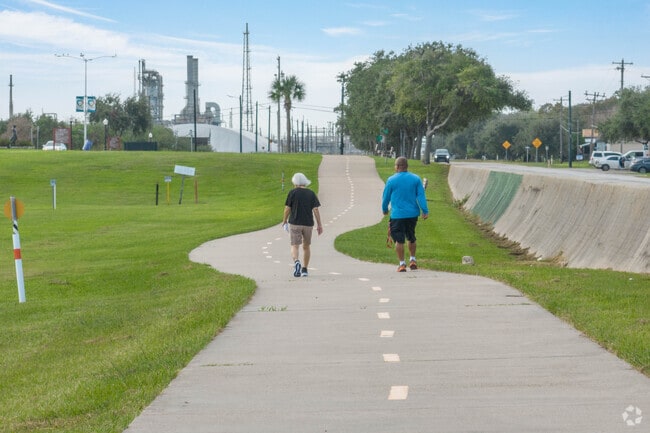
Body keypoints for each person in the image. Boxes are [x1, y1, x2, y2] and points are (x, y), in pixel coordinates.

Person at [382, 156, 429, 272]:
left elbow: (385, 197)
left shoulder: (391, 180)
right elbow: (421, 196)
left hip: (398, 215)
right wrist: (425, 210)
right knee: (411, 237)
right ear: (406, 166)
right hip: (412, 214)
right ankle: (413, 259)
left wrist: (384, 209)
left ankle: (402, 264)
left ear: (397, 166)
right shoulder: (416, 179)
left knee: (399, 240)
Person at [282, 172, 323, 277]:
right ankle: (304, 269)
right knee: (306, 246)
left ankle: (296, 262)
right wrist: (319, 224)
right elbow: (316, 209)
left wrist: (284, 221)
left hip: (295, 222)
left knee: (295, 245)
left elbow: (287, 208)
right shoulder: (311, 193)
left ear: (295, 182)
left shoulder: (292, 192)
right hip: (308, 223)